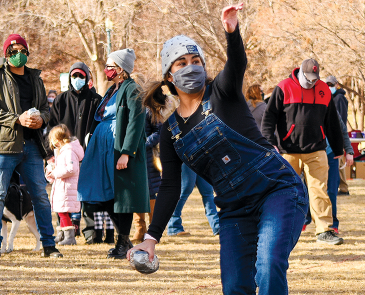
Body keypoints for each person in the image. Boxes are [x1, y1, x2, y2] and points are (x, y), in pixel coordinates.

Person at [133, 4, 309, 294]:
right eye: (181, 63)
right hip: (233, 209)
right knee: (234, 286)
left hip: (277, 191)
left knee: (268, 265)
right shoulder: (170, 132)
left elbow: (237, 62)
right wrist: (151, 237)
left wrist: (232, 31)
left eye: (196, 61)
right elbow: (169, 188)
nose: (191, 67)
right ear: (168, 77)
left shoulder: (223, 92)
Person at [0, 34, 62, 258]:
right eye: (13, 51)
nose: (18, 54)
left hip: (32, 145)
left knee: (40, 196)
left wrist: (42, 120)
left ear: (27, 52)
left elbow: (46, 108)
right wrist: (17, 119)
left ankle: (49, 245)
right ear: (6, 54)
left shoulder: (36, 78)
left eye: (22, 50)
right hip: (2, 147)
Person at [262, 58, 344, 245]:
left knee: (319, 191)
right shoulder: (283, 87)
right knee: (285, 191)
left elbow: (332, 122)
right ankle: (280, 229)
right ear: (300, 73)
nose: (312, 82)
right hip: (288, 151)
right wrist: (269, 142)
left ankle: (324, 231)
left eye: (315, 78)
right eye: (309, 78)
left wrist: (338, 149)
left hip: (316, 150)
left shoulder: (324, 90)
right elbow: (268, 118)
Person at [77, 48, 150, 259]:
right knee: (102, 195)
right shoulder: (111, 90)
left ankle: (123, 240)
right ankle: (123, 239)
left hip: (118, 148)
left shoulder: (132, 89)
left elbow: (136, 123)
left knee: (122, 196)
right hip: (101, 148)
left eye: (110, 66)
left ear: (120, 69)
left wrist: (126, 152)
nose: (106, 69)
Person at [48, 62, 102, 243]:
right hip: (64, 154)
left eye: (81, 76)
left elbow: (100, 126)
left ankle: (91, 233)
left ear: (87, 77)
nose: (77, 79)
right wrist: (52, 152)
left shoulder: (95, 100)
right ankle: (64, 231)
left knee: (88, 195)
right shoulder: (60, 100)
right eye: (74, 76)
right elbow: (52, 127)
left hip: (88, 154)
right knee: (62, 194)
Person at [45, 124, 84, 245]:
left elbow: (71, 169)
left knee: (63, 212)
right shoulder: (62, 151)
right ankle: (62, 234)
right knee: (61, 211)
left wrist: (55, 173)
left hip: (67, 187)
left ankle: (70, 237)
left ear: (57, 140)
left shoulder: (68, 151)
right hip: (62, 185)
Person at [131, 110, 161, 243]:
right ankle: (139, 228)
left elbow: (159, 131)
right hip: (131, 155)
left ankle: (153, 230)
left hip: (147, 156)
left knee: (150, 192)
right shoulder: (128, 109)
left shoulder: (150, 111)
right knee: (135, 193)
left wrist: (144, 144)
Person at [166, 164, 220, 236]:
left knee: (208, 192)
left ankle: (217, 226)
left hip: (202, 158)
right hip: (187, 158)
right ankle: (173, 226)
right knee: (185, 190)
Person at [326, 76, 351, 195]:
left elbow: (340, 119)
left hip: (337, 136)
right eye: (327, 84)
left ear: (337, 84)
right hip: (332, 137)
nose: (329, 87)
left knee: (339, 165)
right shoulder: (331, 98)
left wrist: (339, 139)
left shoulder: (339, 98)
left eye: (331, 84)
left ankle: (343, 188)